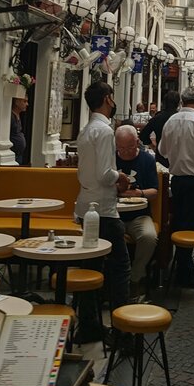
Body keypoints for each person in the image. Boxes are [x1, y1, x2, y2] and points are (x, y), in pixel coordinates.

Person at [75, 81, 131, 343]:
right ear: (108, 99)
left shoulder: (86, 130)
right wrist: (120, 176)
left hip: (84, 205)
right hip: (104, 210)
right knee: (120, 267)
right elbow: (104, 174)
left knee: (91, 268)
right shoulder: (105, 131)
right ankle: (123, 329)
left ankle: (88, 325)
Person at [159, 85, 194, 287]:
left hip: (177, 180)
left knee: (177, 223)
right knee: (191, 226)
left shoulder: (170, 121)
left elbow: (163, 151)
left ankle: (180, 267)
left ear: (182, 101)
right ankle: (185, 273)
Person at [115, 125, 158, 298]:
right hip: (114, 214)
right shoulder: (109, 158)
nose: (126, 152)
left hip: (138, 215)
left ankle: (135, 277)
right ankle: (111, 281)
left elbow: (154, 192)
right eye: (121, 148)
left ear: (137, 143)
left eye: (131, 147)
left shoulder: (147, 160)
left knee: (149, 237)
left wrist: (138, 193)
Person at [139, 89, 179, 165]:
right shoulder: (181, 118)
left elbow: (143, 135)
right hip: (178, 157)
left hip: (161, 157)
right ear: (178, 103)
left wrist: (153, 146)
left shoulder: (157, 118)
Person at [10, 96, 28, 165]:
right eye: (24, 101)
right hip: (12, 154)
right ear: (17, 102)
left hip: (18, 155)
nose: (27, 104)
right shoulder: (10, 116)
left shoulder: (18, 116)